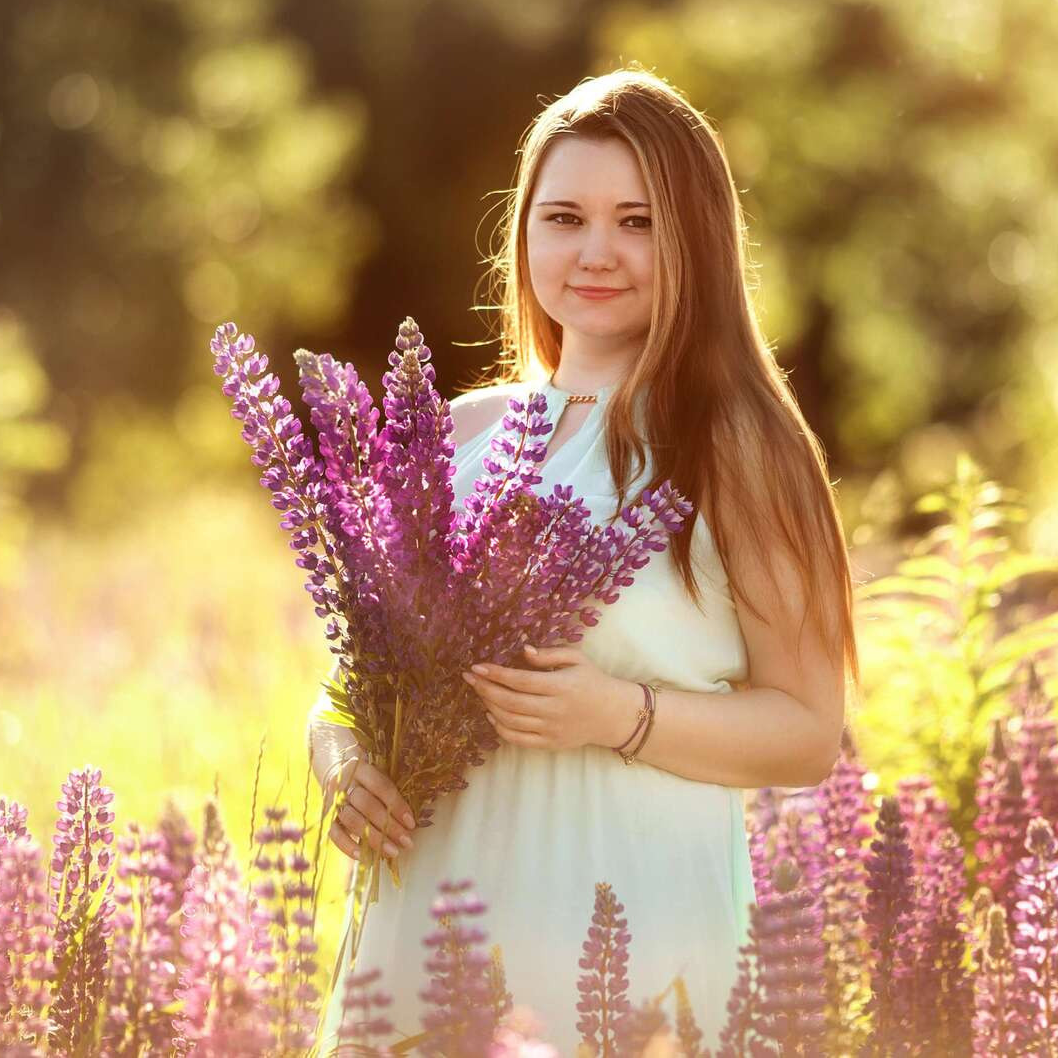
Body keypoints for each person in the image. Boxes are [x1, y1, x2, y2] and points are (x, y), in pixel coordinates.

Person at [307, 66, 859, 1053]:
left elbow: (809, 731)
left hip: (628, 929)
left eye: (636, 222)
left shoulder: (736, 446)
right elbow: (352, 683)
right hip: (426, 916)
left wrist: (618, 714)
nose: (595, 251)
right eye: (563, 217)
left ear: (695, 238)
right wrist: (339, 756)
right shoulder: (455, 434)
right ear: (523, 232)